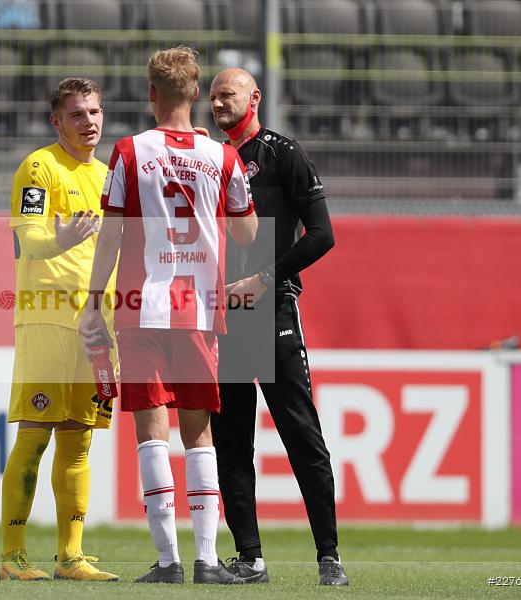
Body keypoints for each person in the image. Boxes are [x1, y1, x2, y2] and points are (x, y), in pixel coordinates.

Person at [80, 47, 258, 585]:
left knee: (150, 431)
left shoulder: (129, 151)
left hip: (142, 307)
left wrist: (93, 301)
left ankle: (167, 561)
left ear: (152, 94)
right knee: (199, 435)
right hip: (199, 309)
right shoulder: (221, 157)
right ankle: (207, 559)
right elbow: (248, 233)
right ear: (196, 93)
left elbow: (111, 233)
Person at [206, 67, 348, 586]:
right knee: (231, 441)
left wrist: (264, 279)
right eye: (212, 96)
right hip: (223, 316)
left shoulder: (283, 154)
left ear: (254, 98)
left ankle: (329, 558)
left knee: (300, 434)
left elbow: (322, 234)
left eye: (228, 94)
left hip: (271, 312)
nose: (218, 103)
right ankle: (250, 559)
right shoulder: (208, 159)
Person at [0, 77, 118, 582]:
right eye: (76, 114)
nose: (88, 122)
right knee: (35, 434)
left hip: (96, 324)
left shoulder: (108, 176)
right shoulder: (39, 168)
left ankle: (71, 558)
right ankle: (12, 556)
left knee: (79, 439)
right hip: (47, 316)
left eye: (94, 112)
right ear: (56, 121)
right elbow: (28, 239)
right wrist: (58, 241)